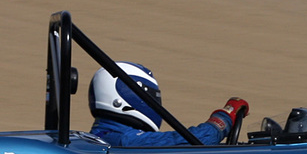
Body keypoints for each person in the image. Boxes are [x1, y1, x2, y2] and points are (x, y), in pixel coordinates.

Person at [87, 62, 248, 146]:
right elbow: (195, 141)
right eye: (151, 96)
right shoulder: (125, 140)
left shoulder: (102, 136)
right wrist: (225, 117)